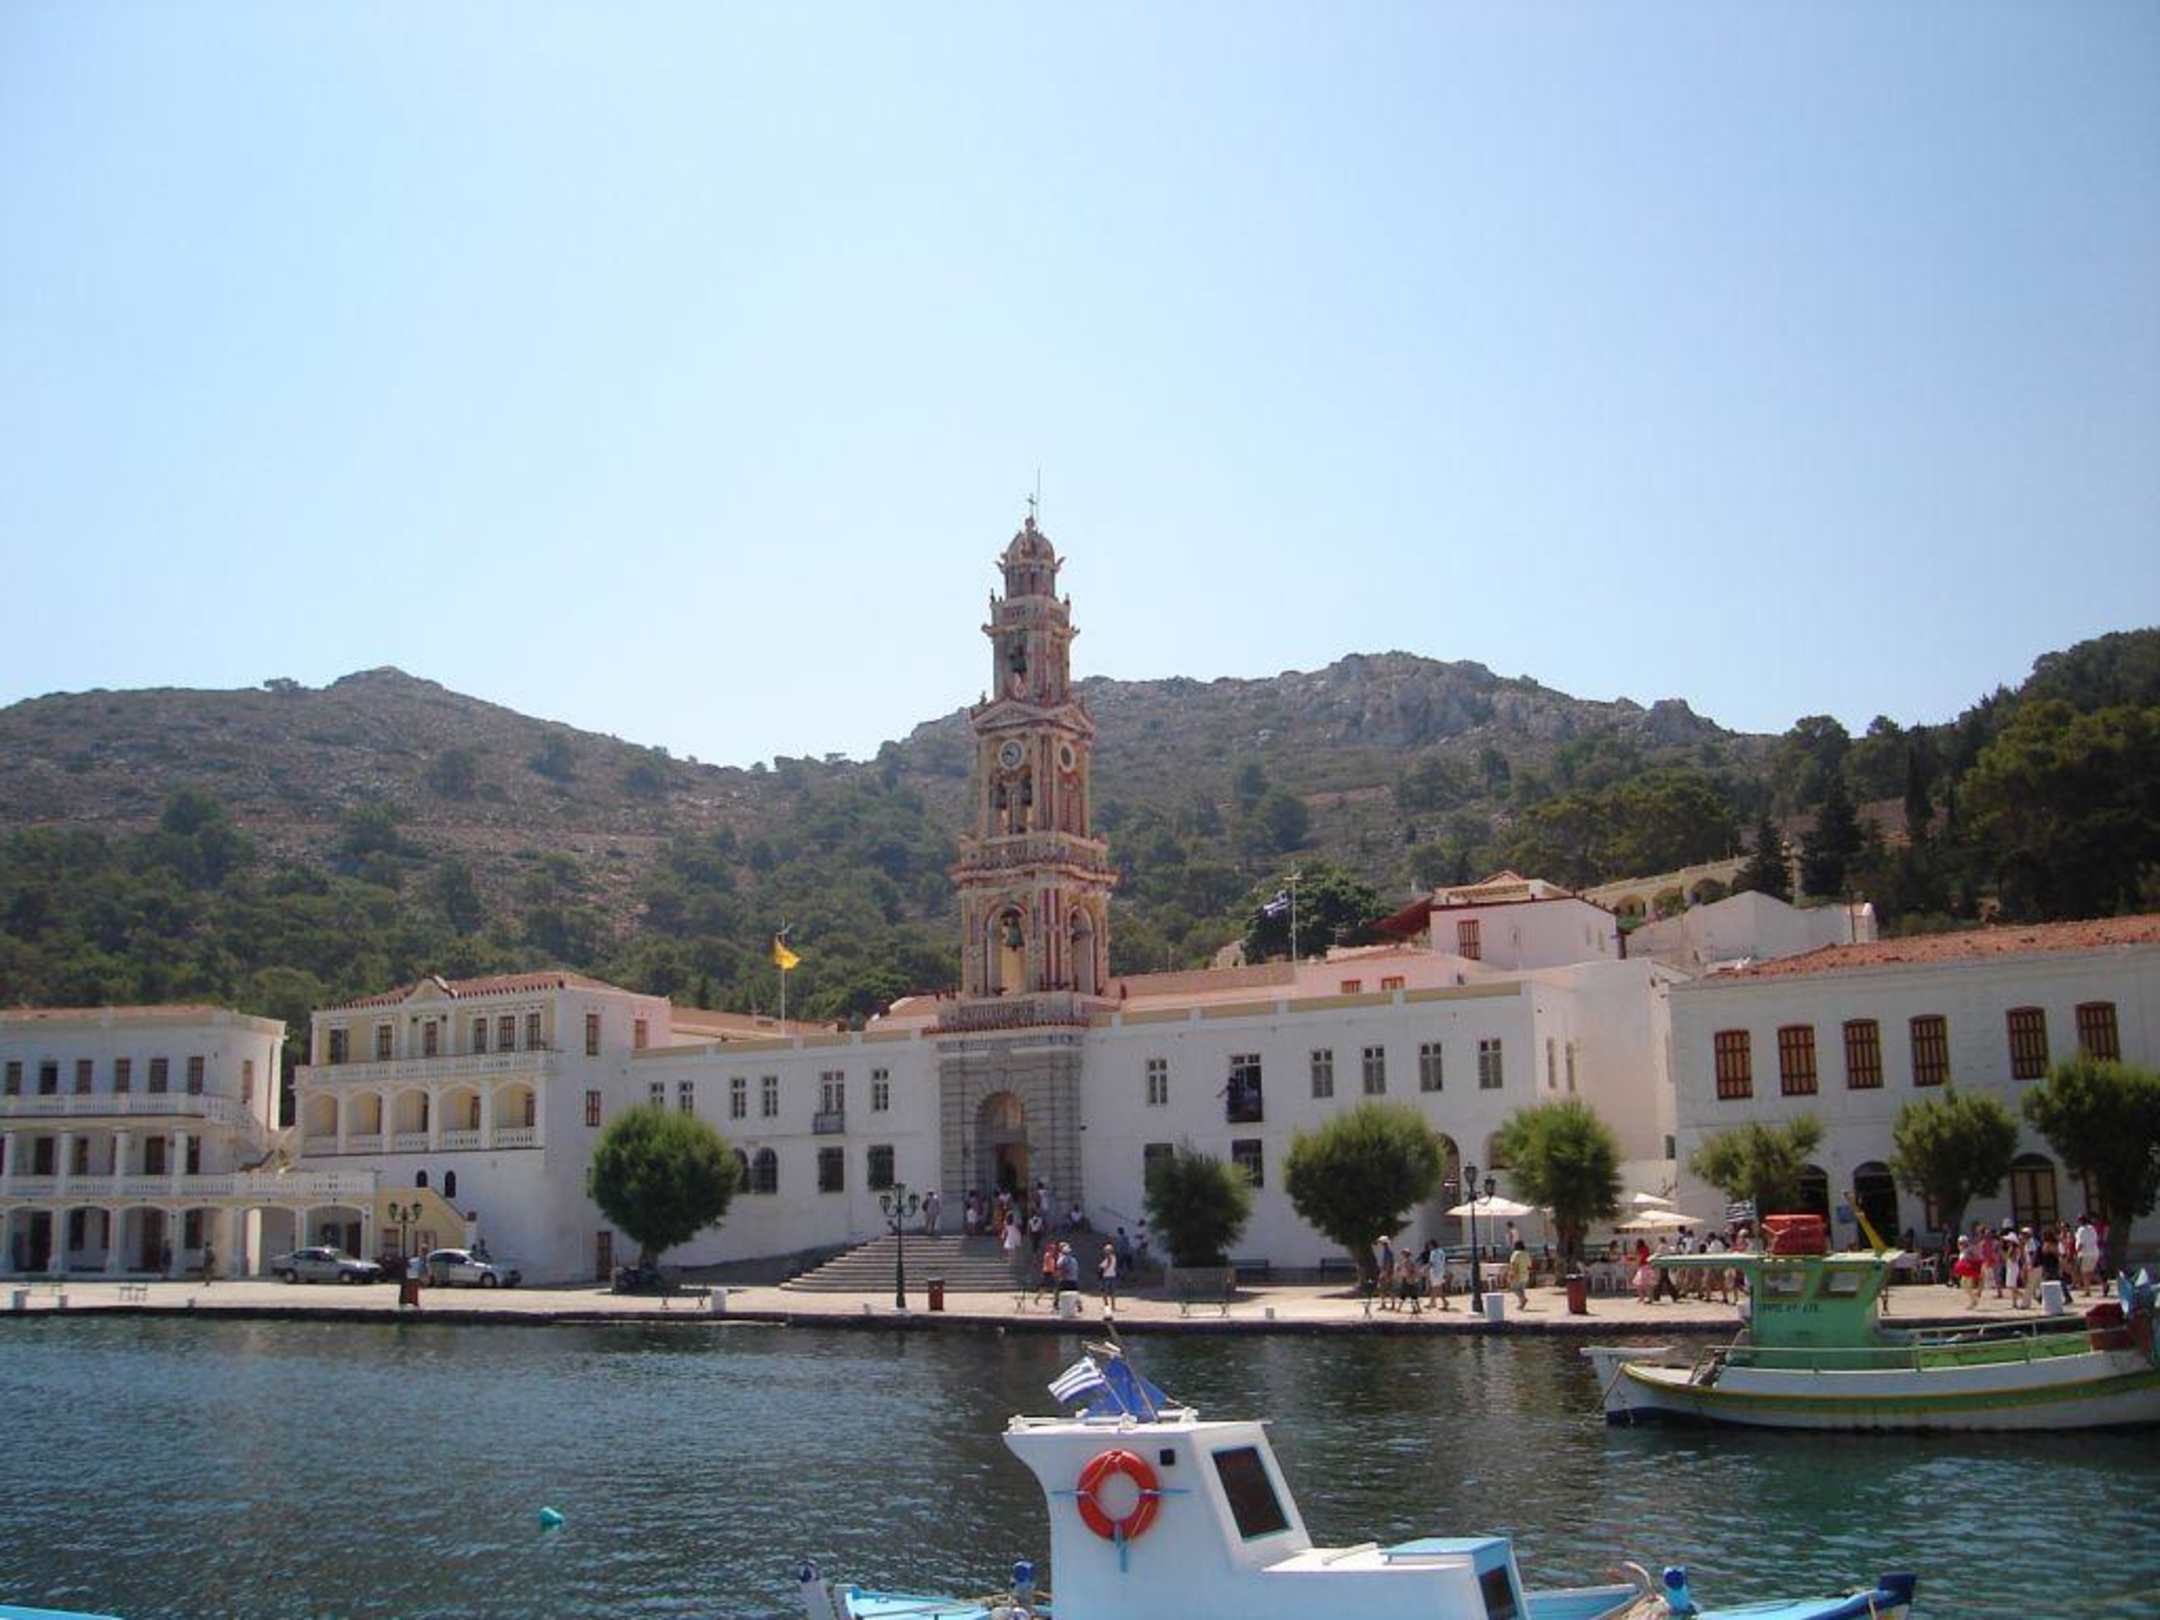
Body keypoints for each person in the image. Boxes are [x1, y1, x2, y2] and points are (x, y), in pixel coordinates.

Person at [1508, 1238, 1531, 1309]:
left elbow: (1513, 1264)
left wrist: (1511, 1274)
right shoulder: (1526, 1254)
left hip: (1517, 1274)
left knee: (1514, 1288)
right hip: (1525, 1274)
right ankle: (1521, 1304)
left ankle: (1523, 1299)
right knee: (1521, 1289)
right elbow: (1529, 1265)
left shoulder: (1515, 1254)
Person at [1098, 1240, 1119, 1310]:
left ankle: (1106, 1305)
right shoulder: (1114, 1257)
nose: (1105, 1252)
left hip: (1106, 1276)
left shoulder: (1109, 1258)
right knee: (1112, 1292)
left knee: (1104, 1291)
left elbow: (1107, 1265)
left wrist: (1103, 1270)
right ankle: (1113, 1306)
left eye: (1106, 1250)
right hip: (1113, 1275)